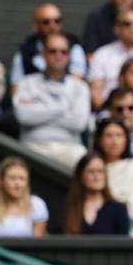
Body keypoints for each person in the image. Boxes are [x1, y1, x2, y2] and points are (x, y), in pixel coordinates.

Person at [13, 32, 89, 169]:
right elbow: (24, 116)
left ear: (69, 55)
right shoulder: (26, 83)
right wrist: (64, 108)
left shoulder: (80, 87)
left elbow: (79, 123)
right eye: (53, 51)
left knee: (85, 161)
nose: (58, 55)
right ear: (43, 54)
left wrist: (39, 107)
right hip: (33, 147)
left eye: (63, 52)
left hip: (70, 149)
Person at [9, 3, 88, 91]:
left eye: (57, 21)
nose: (52, 26)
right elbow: (16, 89)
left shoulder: (73, 46)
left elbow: (77, 84)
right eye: (46, 22)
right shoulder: (25, 51)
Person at [0, 157, 48, 238]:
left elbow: (37, 244)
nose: (17, 184)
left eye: (22, 179)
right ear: (2, 180)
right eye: (12, 178)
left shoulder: (36, 205)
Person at [62, 153, 131, 235]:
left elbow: (124, 244)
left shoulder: (118, 209)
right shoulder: (69, 208)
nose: (96, 177)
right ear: (80, 176)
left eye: (100, 171)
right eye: (91, 172)